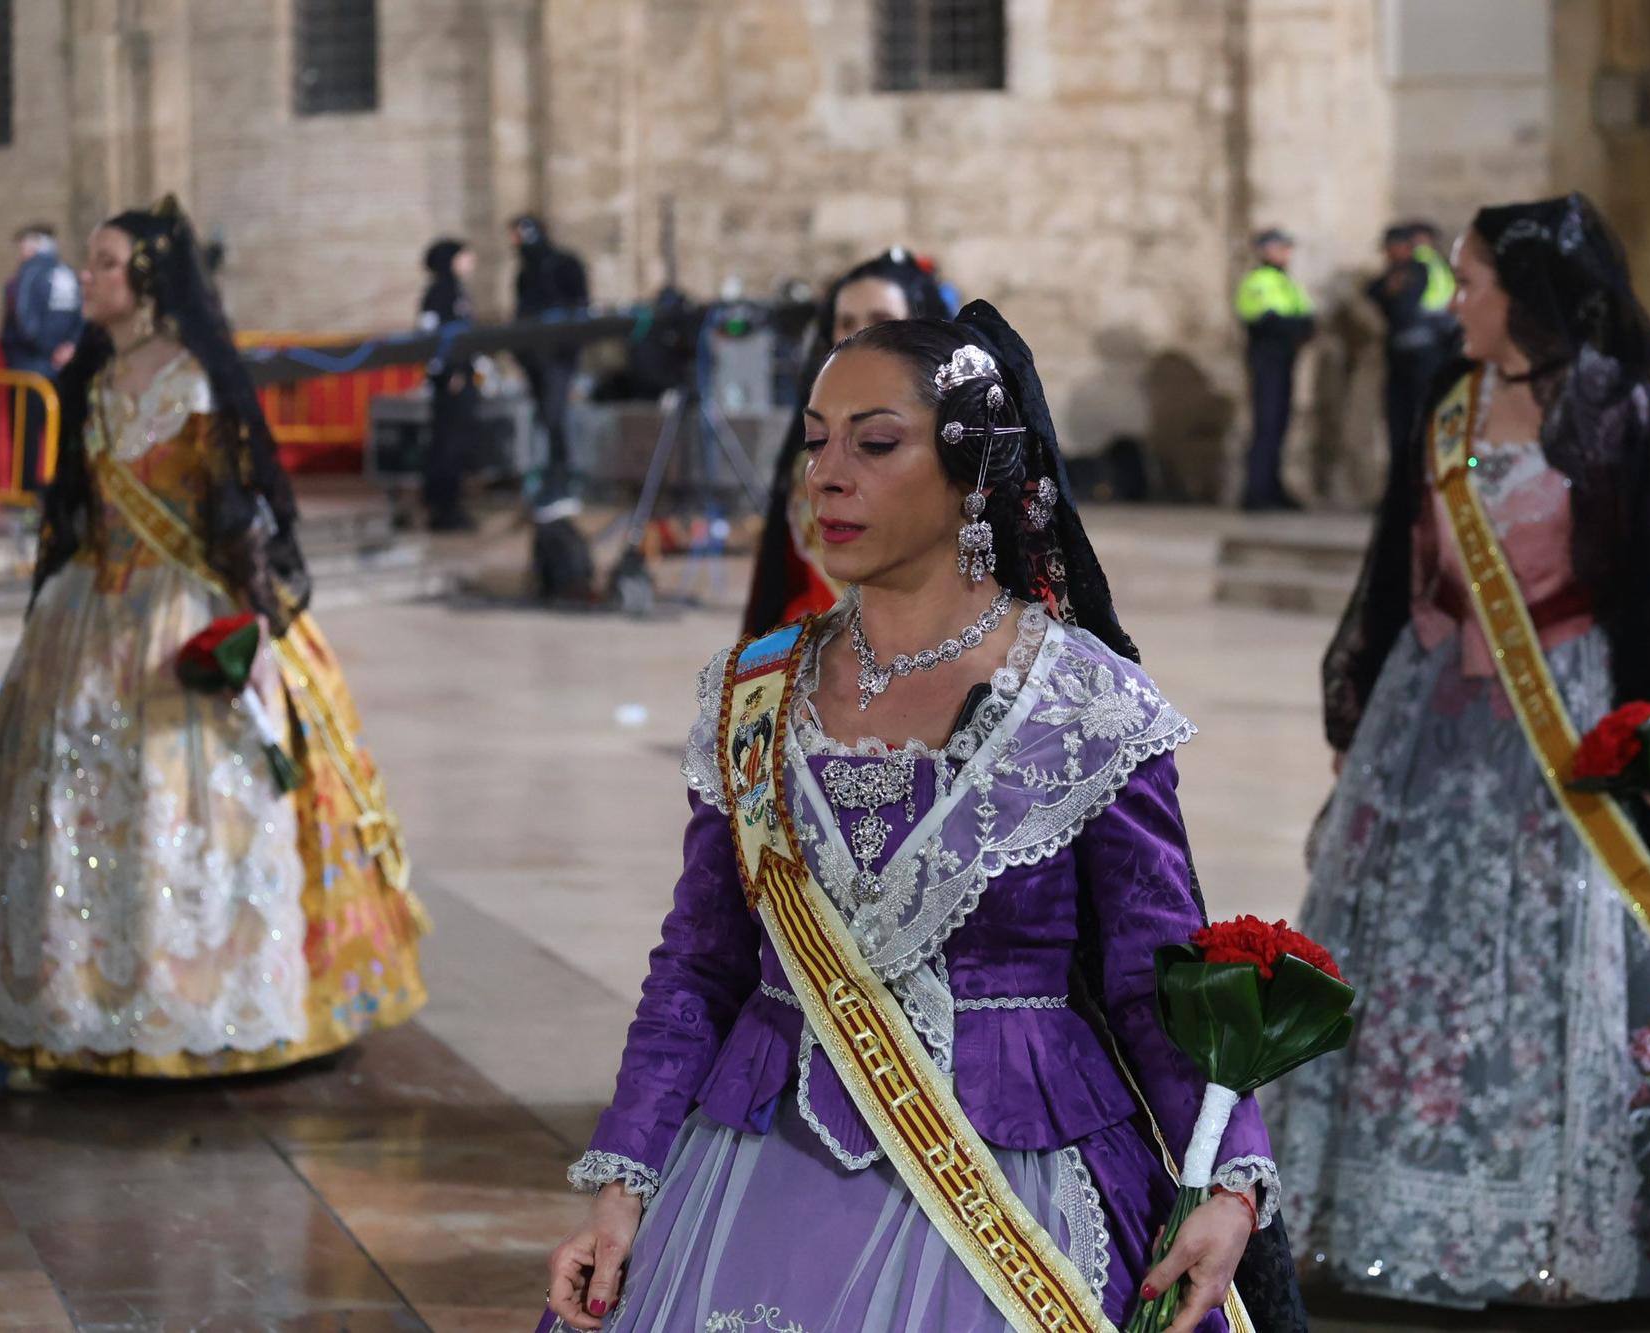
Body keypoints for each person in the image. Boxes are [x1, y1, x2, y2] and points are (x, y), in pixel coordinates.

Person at [542, 303, 1307, 1333]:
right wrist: (623, 1181)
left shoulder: (1082, 702)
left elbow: (1151, 978)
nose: (827, 475)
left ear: (969, 474)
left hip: (1018, 1182)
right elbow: (699, 965)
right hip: (753, 1176)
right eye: (814, 442)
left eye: (875, 443)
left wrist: (1225, 1183)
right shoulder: (752, 693)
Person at [1278, 193, 1650, 1307]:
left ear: (1528, 297)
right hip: (1434, 736)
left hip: (1577, 726)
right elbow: (1399, 574)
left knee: (1571, 967)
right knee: (1419, 973)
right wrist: (1378, 710)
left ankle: (1556, 1230)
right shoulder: (1444, 405)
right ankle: (1370, 1218)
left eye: (1471, 282)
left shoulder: (1615, 411)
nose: (1454, 301)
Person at [0, 196, 427, 1077]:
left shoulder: (192, 381)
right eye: (89, 261)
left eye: (105, 262)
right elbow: (74, 508)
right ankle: (79, 996)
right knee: (74, 805)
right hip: (89, 614)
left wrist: (251, 624)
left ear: (152, 279)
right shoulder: (87, 375)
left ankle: (198, 993)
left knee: (183, 808)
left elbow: (233, 516)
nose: (85, 277)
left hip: (179, 612)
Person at [742, 248, 952, 638]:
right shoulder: (802, 462)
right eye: (846, 322)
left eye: (882, 320)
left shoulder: (962, 446)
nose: (860, 335)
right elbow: (787, 568)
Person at [507, 214, 591, 511]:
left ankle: (563, 481)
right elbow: (521, 314)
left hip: (559, 357)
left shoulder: (564, 264)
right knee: (543, 418)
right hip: (534, 358)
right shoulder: (525, 273)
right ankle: (547, 480)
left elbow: (579, 308)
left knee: (557, 418)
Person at [0, 223, 84, 492]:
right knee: (61, 432)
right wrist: (69, 346)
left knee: (27, 434)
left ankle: (27, 494)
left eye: (24, 243)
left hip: (30, 367)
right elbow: (82, 316)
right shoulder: (67, 272)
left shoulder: (29, 273)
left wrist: (46, 349)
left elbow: (24, 321)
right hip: (62, 369)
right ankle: (62, 488)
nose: (21, 250)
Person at [1235, 230, 1315, 512]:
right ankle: (1256, 491)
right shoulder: (1258, 280)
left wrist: (1299, 327)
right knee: (1266, 423)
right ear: (1265, 250)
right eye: (1280, 248)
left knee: (1280, 422)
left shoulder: (1285, 281)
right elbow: (1266, 320)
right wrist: (1294, 326)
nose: (1286, 254)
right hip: (1267, 356)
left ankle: (1272, 487)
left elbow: (1305, 318)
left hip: (1285, 357)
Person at [1366, 223, 1456, 474]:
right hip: (1405, 355)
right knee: (1400, 422)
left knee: (1420, 421)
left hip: (1425, 355)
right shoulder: (1401, 272)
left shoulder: (1417, 270)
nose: (1387, 254)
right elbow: (1373, 291)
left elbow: (1400, 309)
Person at [419, 237, 480, 532]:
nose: (471, 261)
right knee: (446, 446)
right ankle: (443, 509)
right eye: (465, 255)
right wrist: (447, 374)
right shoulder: (439, 292)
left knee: (458, 446)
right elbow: (432, 338)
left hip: (463, 378)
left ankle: (452, 504)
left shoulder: (457, 291)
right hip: (449, 384)